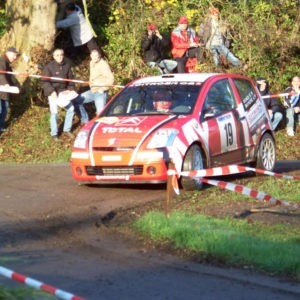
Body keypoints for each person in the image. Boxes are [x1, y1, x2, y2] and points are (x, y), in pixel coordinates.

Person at [42, 48, 77, 140]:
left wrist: (70, 89)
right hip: (53, 92)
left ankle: (67, 129)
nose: (60, 57)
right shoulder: (48, 67)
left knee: (71, 109)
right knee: (54, 112)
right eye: (57, 55)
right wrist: (51, 91)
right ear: (54, 56)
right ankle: (54, 133)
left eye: (61, 54)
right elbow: (45, 82)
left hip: (64, 93)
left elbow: (71, 80)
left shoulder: (67, 65)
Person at [75, 48, 114, 124]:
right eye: (93, 56)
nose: (95, 58)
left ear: (99, 56)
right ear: (90, 56)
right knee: (77, 101)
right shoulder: (91, 63)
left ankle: (103, 129)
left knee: (101, 114)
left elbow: (111, 79)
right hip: (92, 91)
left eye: (96, 56)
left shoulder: (103, 64)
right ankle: (85, 121)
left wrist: (103, 89)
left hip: (100, 92)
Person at [0, 47, 19, 133]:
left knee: (5, 108)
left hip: (5, 91)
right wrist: (5, 83)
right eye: (14, 55)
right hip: (2, 89)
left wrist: (17, 85)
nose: (15, 57)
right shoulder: (2, 61)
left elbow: (11, 76)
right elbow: (1, 74)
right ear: (8, 53)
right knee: (0, 109)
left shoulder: (7, 64)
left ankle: (1, 127)